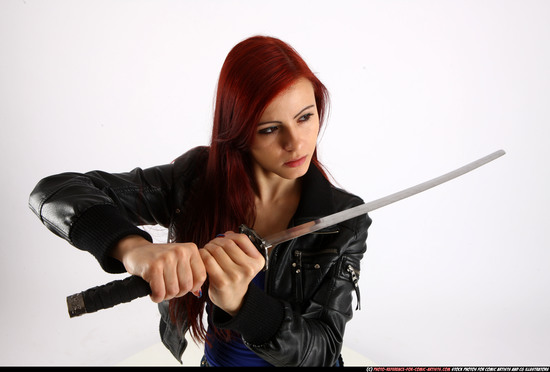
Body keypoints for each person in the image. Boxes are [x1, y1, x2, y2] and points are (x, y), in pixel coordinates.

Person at [29, 35, 372, 367]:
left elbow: (322, 352)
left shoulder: (345, 219)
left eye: (305, 117)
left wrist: (243, 304)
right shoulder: (194, 180)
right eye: (269, 129)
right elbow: (54, 192)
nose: (296, 143)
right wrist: (133, 248)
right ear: (238, 130)